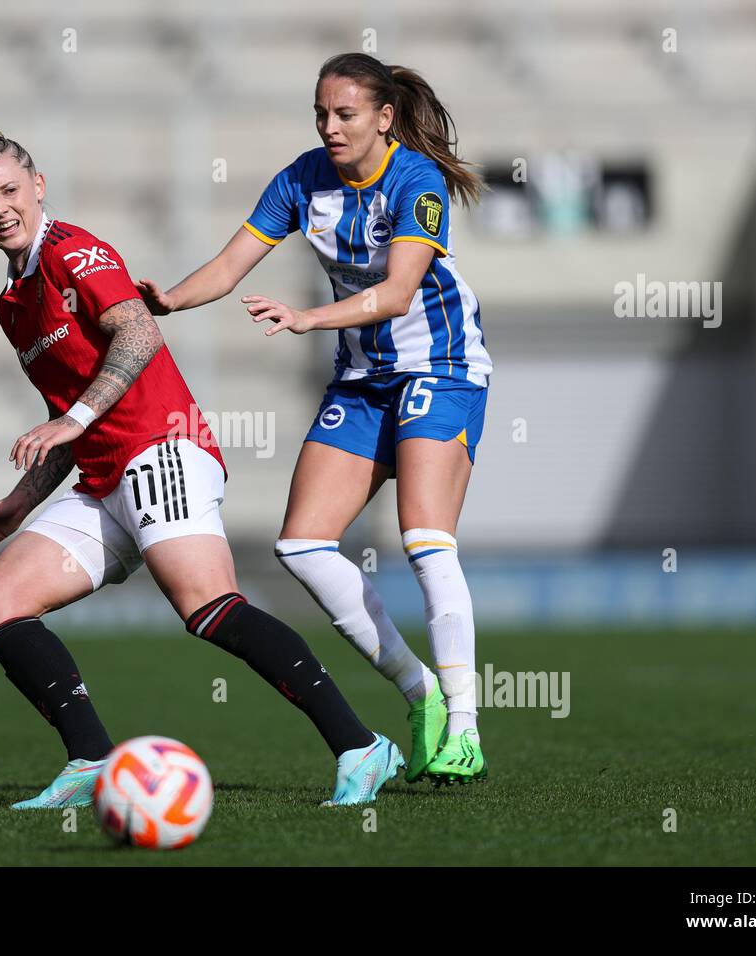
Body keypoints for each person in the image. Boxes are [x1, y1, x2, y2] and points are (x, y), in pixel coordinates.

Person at [0, 124, 403, 809]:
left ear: (38, 187)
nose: (0, 208)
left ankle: (360, 745)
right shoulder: (11, 303)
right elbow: (68, 419)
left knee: (207, 607)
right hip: (103, 475)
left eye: (10, 190)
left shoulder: (76, 251)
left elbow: (137, 330)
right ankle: (92, 762)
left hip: (161, 449)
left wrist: (71, 421)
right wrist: (21, 499)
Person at [135, 53, 492, 785]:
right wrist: (167, 300)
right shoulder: (303, 178)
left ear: (384, 118)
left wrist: (306, 318)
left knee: (424, 540)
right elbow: (231, 265)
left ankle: (465, 725)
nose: (329, 127)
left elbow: (397, 295)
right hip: (362, 381)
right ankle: (418, 689)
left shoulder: (416, 181)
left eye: (345, 114)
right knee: (301, 544)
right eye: (321, 114)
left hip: (441, 368)